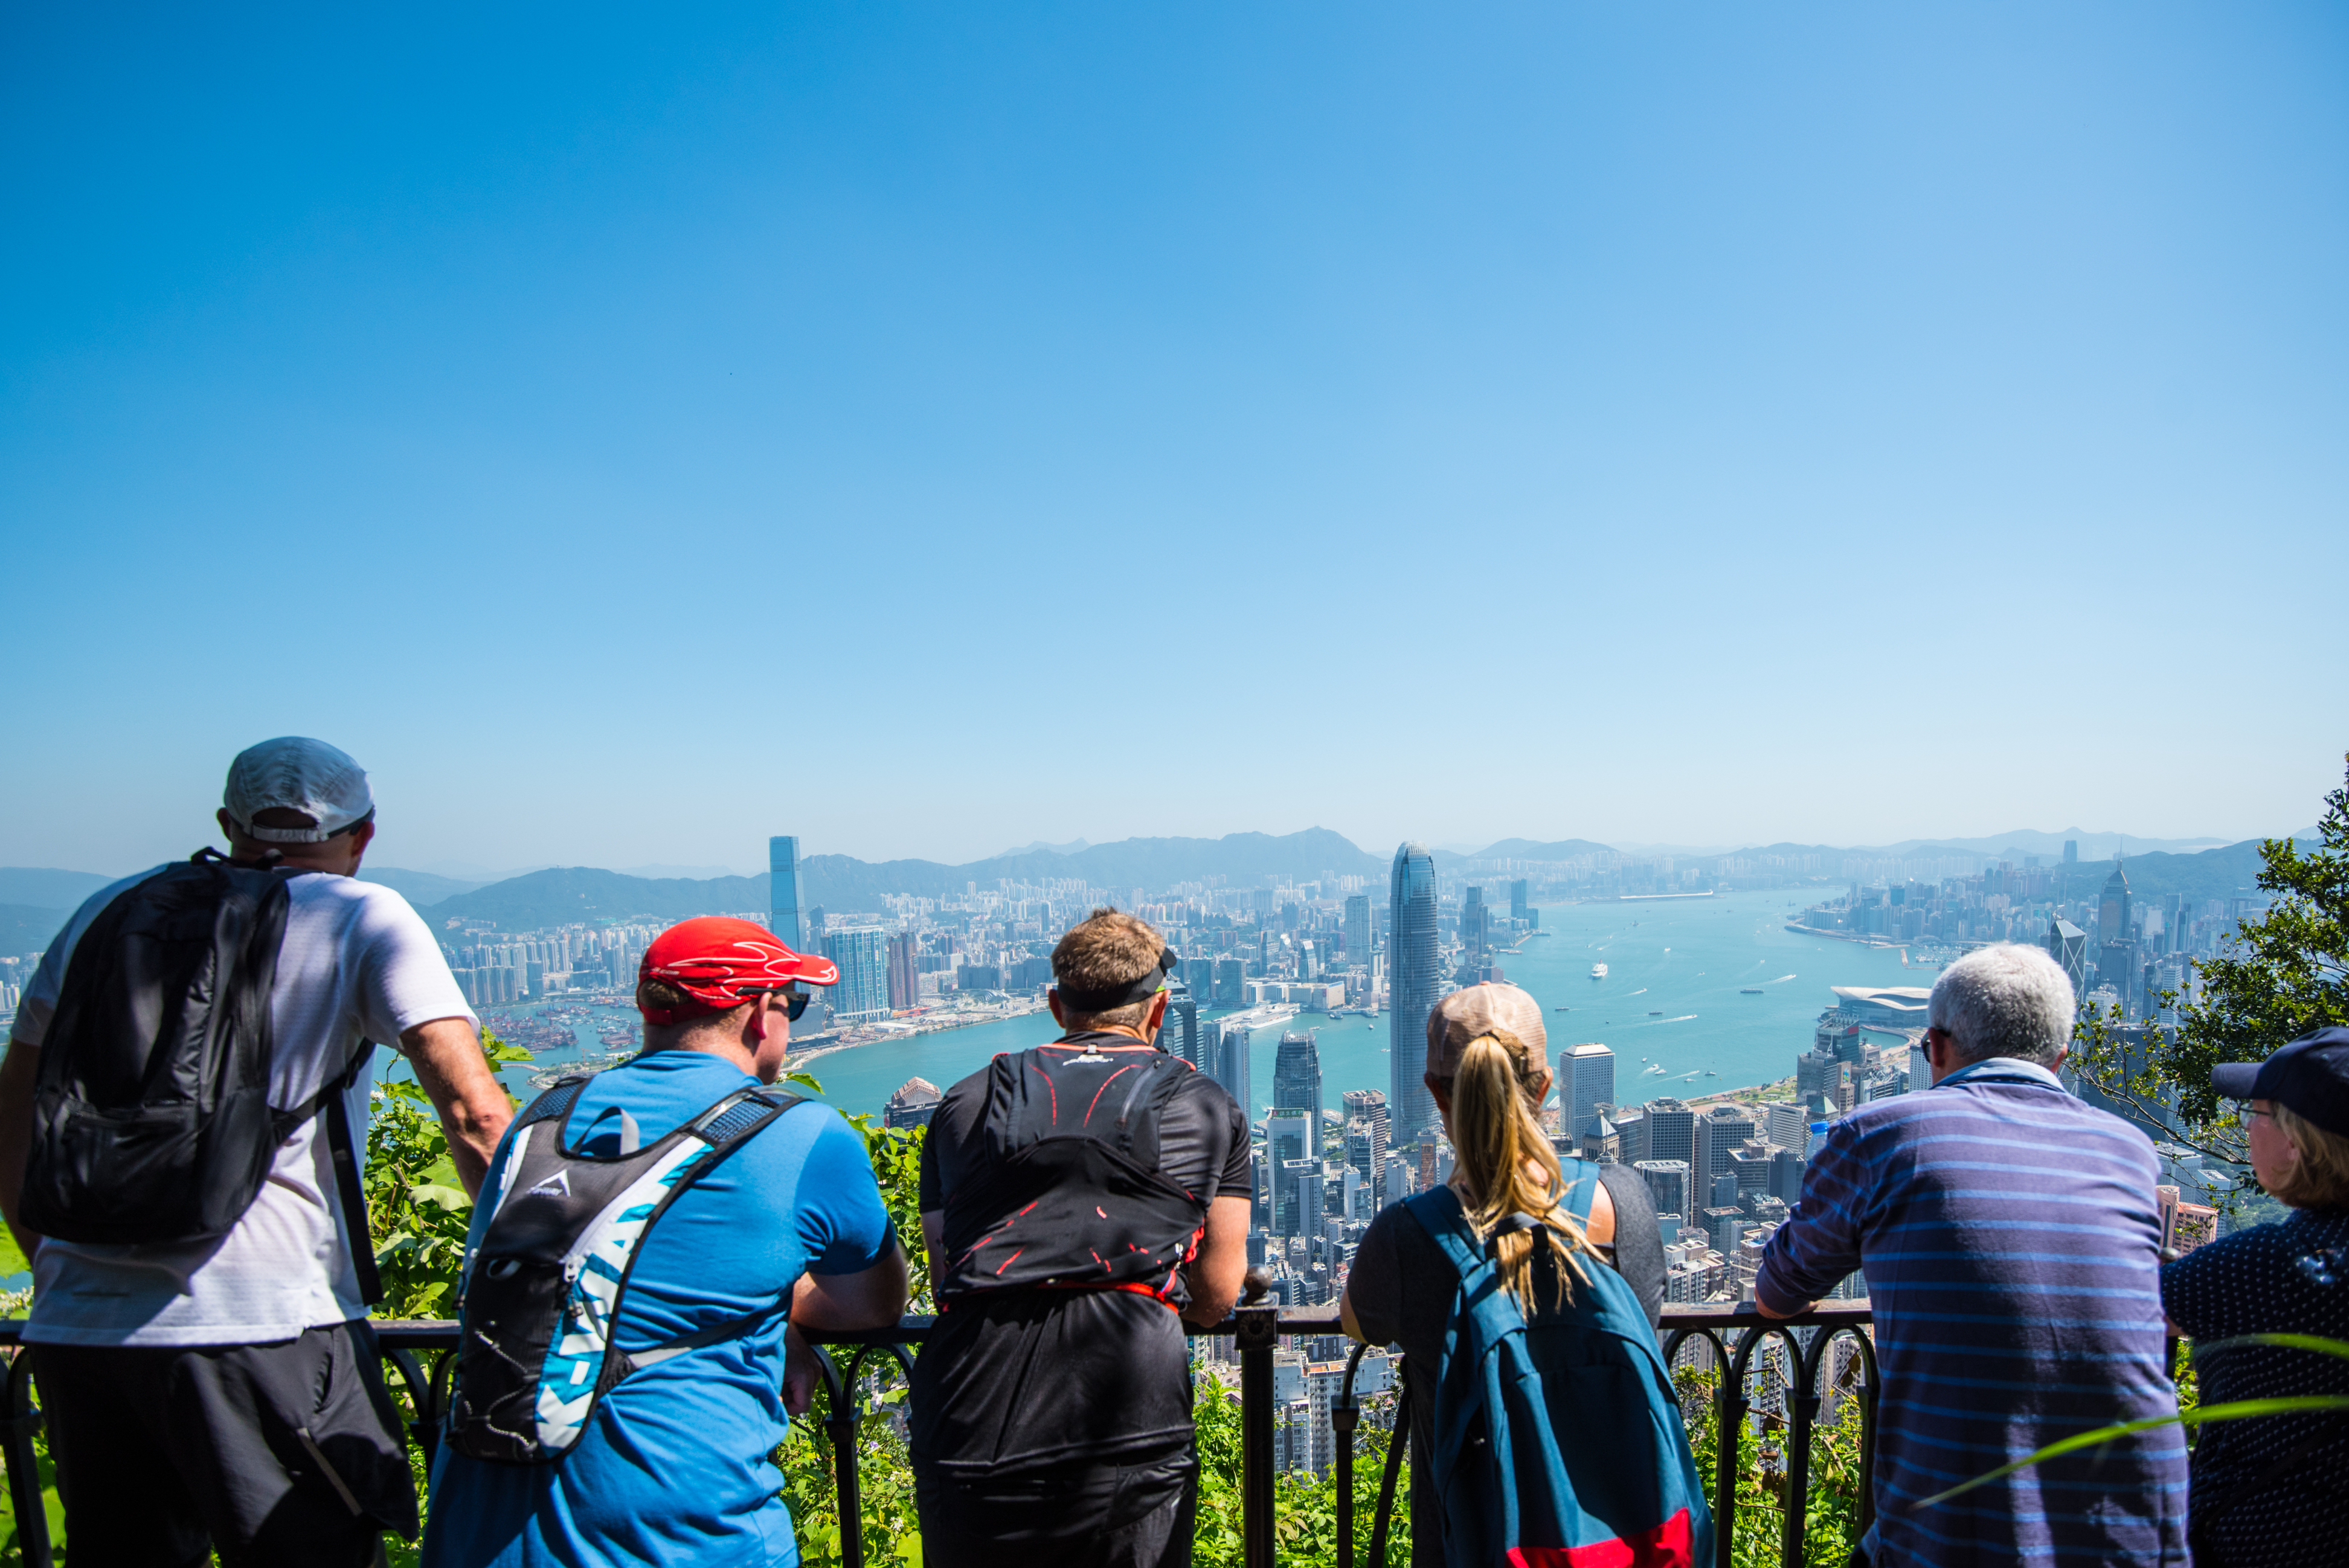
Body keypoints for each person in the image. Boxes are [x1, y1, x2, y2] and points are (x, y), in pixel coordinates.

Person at [0, 736, 518, 1566]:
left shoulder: (105, 912)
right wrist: (526, 1293)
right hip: (267, 1327)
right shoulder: (362, 914)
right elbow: (475, 1113)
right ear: (365, 833)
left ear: (226, 825)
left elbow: (16, 1106)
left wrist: (50, 1260)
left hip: (82, 1334)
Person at [424, 916, 909, 1566]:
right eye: (795, 1003)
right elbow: (870, 1306)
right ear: (760, 1012)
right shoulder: (803, 1133)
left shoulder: (539, 1121)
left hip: (478, 1528)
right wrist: (781, 1311)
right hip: (675, 1531)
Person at [1754, 942, 2189, 1566]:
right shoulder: (2128, 1150)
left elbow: (1775, 1294)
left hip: (1960, 1536)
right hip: (2140, 1533)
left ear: (1933, 1047)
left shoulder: (1878, 1135)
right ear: (2060, 1057)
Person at [910, 908, 1251, 1568]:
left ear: (1054, 1005)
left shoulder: (964, 1101)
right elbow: (1216, 1295)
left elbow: (944, 1270)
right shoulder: (1206, 1105)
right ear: (1159, 1009)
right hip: (1126, 1415)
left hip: (968, 1411)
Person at [1341, 983, 1671, 1567]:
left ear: (1435, 1095)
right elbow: (1644, 1320)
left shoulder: (1408, 1238)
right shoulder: (1621, 1204)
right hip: (1616, 1546)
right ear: (1545, 1087)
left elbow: (1356, 1323)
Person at [2162, 1026, 2349, 1567]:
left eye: (2257, 1113)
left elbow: (2116, 1310)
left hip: (2272, 1539)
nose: (2246, 1129)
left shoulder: (2276, 1261)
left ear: (2296, 1139)